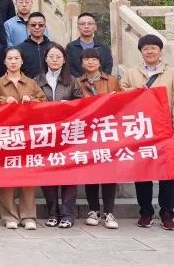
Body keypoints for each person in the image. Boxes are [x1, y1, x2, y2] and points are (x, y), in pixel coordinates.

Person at [120, 34, 174, 230]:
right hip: (140, 129)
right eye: (145, 48)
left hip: (164, 128)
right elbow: (120, 95)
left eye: (153, 48)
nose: (149, 51)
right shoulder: (132, 73)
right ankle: (146, 212)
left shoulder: (172, 73)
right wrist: (134, 90)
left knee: (167, 174)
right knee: (143, 172)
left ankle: (167, 213)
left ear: (160, 51)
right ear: (141, 52)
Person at [0, 47, 47, 230]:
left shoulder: (31, 83)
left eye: (16, 58)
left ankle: (28, 216)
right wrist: (2, 101)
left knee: (27, 177)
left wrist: (32, 100)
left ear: (22, 61)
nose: (13, 62)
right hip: (5, 136)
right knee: (6, 177)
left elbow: (44, 103)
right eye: (10, 58)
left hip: (27, 136)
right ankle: (9, 216)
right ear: (4, 61)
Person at [34, 43, 82, 229]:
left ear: (64, 60)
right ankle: (52, 212)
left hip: (67, 134)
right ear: (45, 59)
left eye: (58, 57)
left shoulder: (72, 80)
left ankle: (68, 214)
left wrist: (68, 106)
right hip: (44, 134)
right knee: (48, 174)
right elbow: (32, 105)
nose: (54, 60)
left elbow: (81, 103)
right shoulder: (36, 81)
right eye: (51, 56)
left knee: (69, 174)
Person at [77, 49, 120, 230]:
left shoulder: (111, 81)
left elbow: (123, 103)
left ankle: (109, 212)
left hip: (107, 131)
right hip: (87, 133)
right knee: (91, 173)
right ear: (82, 63)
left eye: (94, 59)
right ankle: (93, 210)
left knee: (109, 172)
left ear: (100, 62)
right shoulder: (77, 82)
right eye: (87, 59)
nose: (91, 62)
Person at [66, 12, 114, 77]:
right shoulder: (71, 47)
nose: (86, 26)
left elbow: (108, 67)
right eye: (82, 24)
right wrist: (81, 80)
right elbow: (69, 67)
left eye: (90, 24)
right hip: (77, 82)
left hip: (100, 82)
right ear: (78, 27)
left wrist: (99, 80)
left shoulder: (103, 47)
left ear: (95, 27)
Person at [18, 12, 53, 78]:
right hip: (27, 84)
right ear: (28, 27)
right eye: (33, 25)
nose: (37, 27)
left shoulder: (53, 47)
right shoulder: (19, 49)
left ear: (45, 27)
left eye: (41, 25)